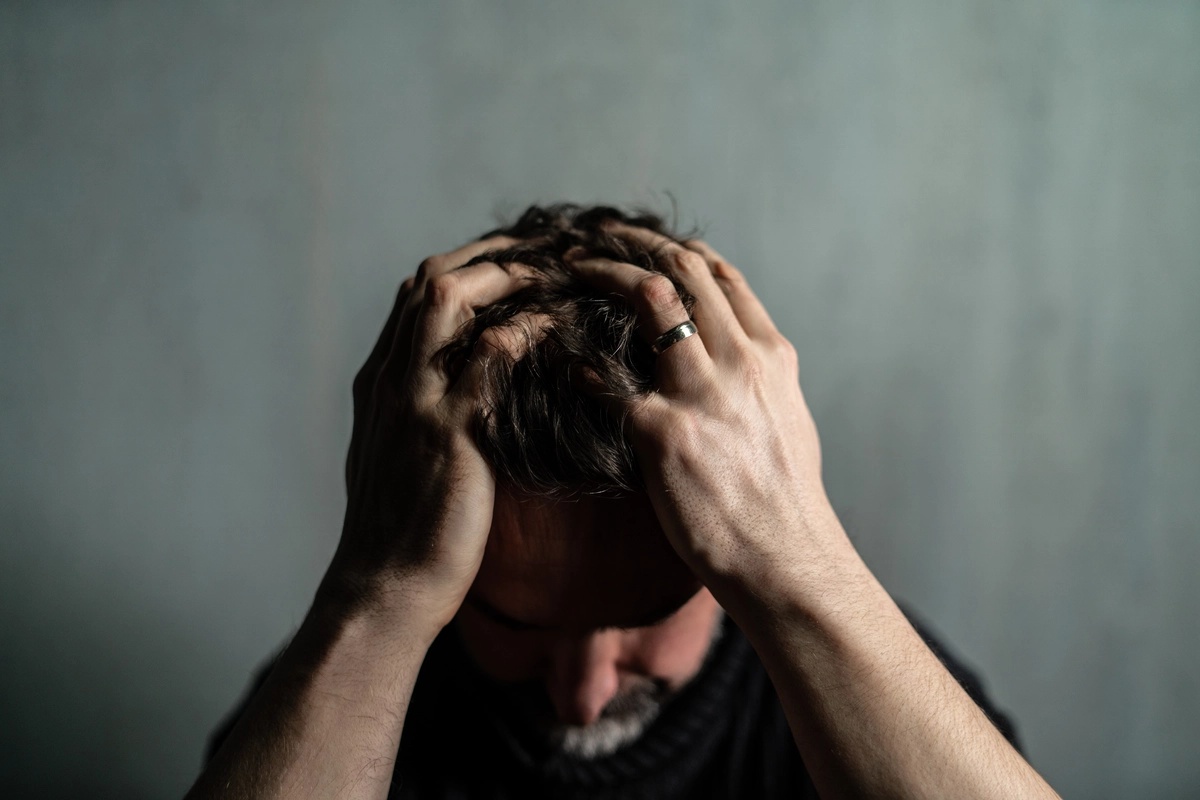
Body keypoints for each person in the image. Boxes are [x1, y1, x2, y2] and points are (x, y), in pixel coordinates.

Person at [187, 204, 1060, 799]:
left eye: (648, 614)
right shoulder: (342, 684)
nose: (583, 693)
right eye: (517, 626)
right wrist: (374, 596)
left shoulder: (875, 689)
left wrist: (803, 558)